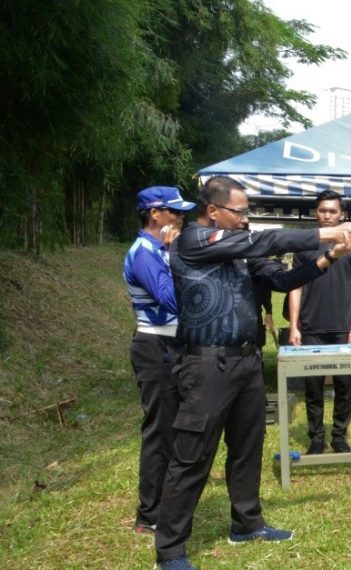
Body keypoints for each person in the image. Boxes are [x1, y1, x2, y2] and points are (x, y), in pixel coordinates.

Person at [158, 176, 351, 569]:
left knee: (247, 447)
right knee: (191, 455)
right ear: (213, 210)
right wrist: (327, 232)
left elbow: (283, 279)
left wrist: (332, 255)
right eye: (240, 212)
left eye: (247, 212)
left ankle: (247, 523)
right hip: (206, 364)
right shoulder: (193, 240)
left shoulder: (240, 247)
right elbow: (265, 241)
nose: (245, 219)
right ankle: (170, 549)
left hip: (246, 361)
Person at [122, 186, 196, 535]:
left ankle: (165, 501)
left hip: (172, 346)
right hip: (155, 348)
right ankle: (148, 514)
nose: (180, 216)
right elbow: (169, 300)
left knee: (174, 428)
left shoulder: (159, 250)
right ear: (155, 214)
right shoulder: (144, 252)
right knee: (159, 431)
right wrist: (171, 252)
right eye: (174, 211)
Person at [288, 190, 351, 455]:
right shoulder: (305, 245)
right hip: (312, 326)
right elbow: (295, 287)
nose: (327, 215)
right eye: (323, 210)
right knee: (313, 387)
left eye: (333, 211)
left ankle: (340, 436)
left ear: (341, 214)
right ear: (316, 213)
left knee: (344, 385)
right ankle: (316, 438)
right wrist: (294, 326)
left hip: (343, 327)